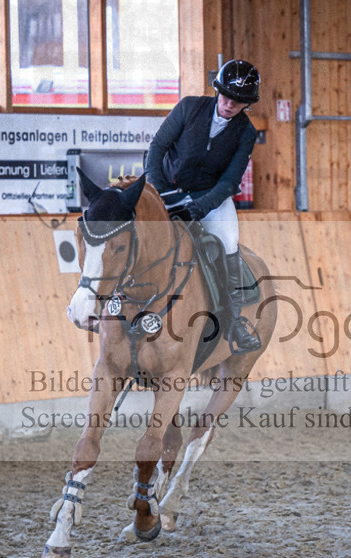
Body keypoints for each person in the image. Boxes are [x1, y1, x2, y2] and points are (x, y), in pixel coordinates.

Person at [145, 59, 261, 353]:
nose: (229, 105)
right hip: (167, 189)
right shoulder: (188, 107)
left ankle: (235, 322)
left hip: (210, 199)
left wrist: (201, 207)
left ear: (246, 105)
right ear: (217, 91)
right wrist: (160, 192)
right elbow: (157, 149)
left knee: (228, 241)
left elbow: (230, 181)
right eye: (226, 97)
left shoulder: (246, 132)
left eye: (238, 102)